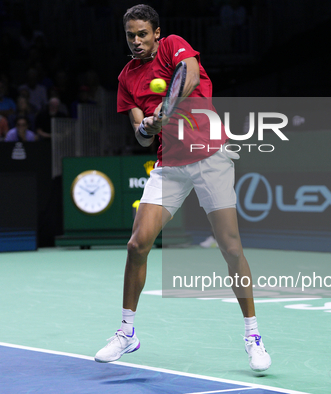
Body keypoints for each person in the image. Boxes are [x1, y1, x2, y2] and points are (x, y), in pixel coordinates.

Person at [94, 4, 271, 373]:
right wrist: (149, 128)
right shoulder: (127, 77)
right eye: (131, 35)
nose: (138, 41)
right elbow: (140, 133)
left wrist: (167, 108)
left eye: (143, 34)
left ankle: (253, 336)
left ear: (157, 33)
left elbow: (187, 77)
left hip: (210, 157)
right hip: (170, 165)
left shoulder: (175, 45)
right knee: (137, 243)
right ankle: (127, 332)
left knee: (231, 247)